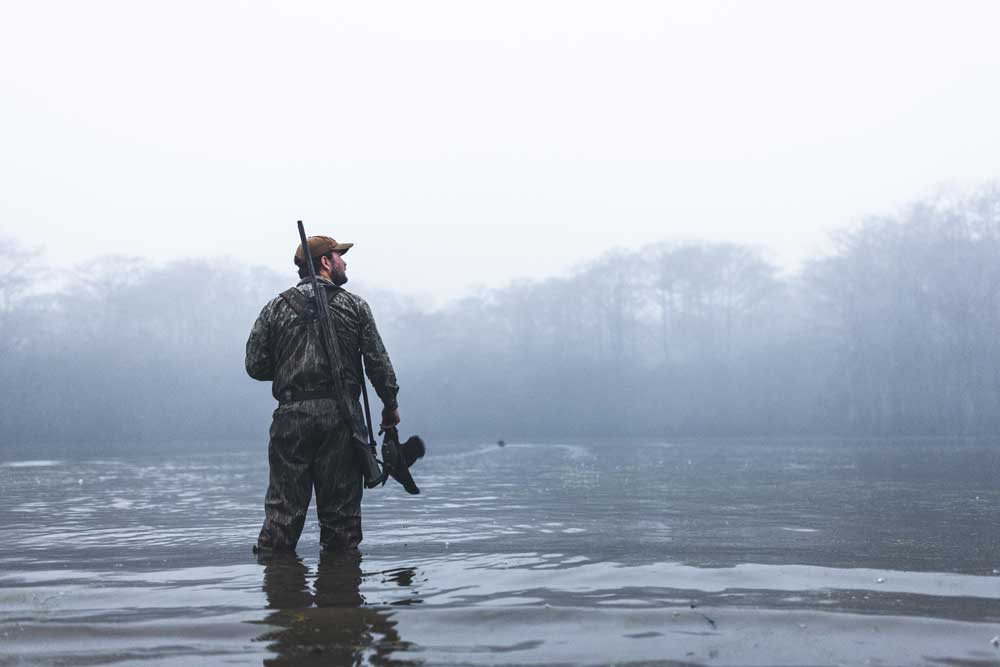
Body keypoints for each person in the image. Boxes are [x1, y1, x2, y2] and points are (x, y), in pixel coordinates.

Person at [245, 235, 400, 553]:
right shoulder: (354, 305)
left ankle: (279, 596)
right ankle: (341, 598)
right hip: (340, 419)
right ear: (326, 262)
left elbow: (255, 366)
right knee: (341, 526)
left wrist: (293, 368)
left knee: (281, 517)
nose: (345, 261)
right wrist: (390, 406)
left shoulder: (274, 308)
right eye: (340, 255)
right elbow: (378, 365)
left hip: (291, 418)